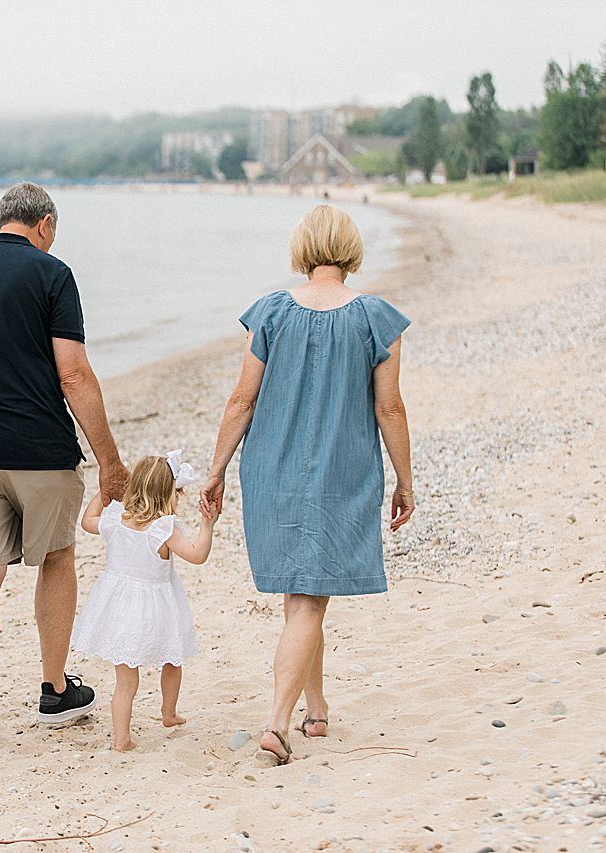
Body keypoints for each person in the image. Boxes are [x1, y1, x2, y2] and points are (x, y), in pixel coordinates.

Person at [200, 205, 415, 766]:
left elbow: (241, 400)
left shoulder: (271, 312)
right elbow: (389, 407)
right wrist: (405, 479)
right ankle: (276, 722)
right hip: (341, 471)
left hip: (273, 467)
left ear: (302, 247)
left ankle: (315, 709)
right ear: (350, 248)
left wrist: (217, 468)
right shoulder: (374, 318)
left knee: (304, 595)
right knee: (307, 596)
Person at [0, 181, 129, 751]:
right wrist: (110, 460)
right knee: (56, 558)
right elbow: (73, 375)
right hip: (41, 453)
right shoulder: (52, 273)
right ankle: (54, 689)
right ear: (45, 225)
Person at [72, 452, 214, 752]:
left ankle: (121, 738)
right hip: (157, 607)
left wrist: (104, 492)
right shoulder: (164, 529)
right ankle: (168, 712)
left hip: (119, 608)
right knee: (172, 660)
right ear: (169, 494)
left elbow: (86, 521)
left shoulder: (114, 520)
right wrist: (207, 523)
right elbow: (198, 555)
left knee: (125, 682)